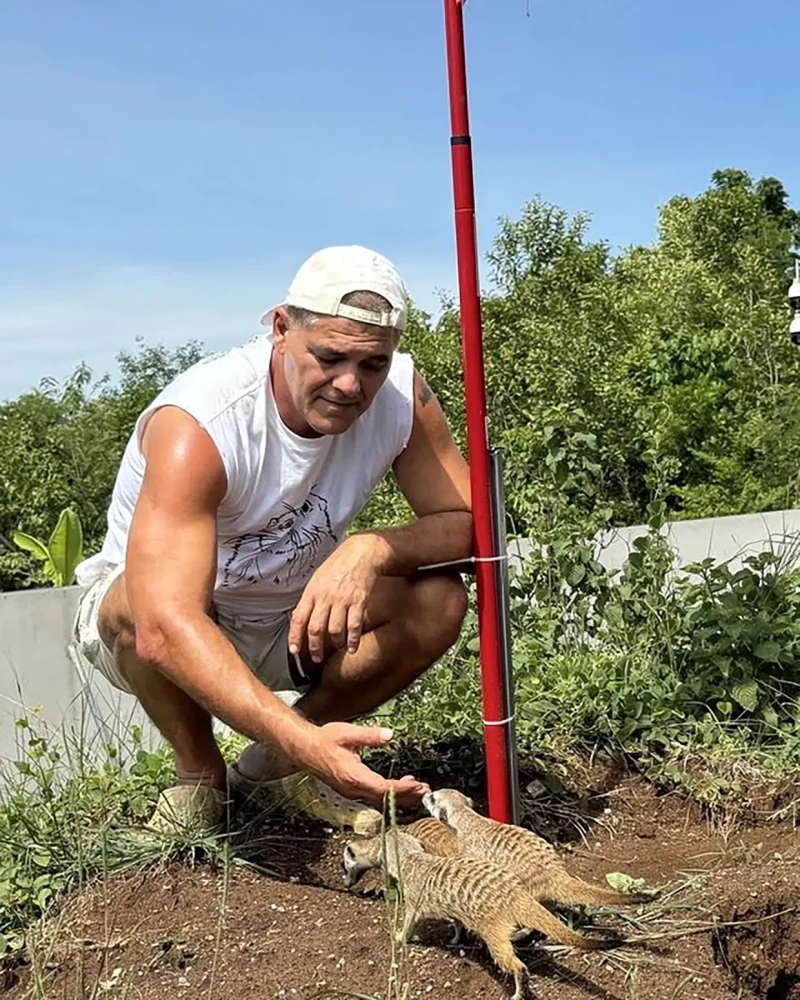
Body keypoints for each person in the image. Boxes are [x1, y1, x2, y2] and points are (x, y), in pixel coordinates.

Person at [69, 244, 472, 838]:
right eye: (330, 357)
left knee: (439, 598)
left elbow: (470, 523)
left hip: (293, 613)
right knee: (135, 602)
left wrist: (373, 548)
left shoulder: (403, 400)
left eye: (372, 365)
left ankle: (272, 769)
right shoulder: (201, 422)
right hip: (177, 625)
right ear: (282, 328)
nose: (349, 385)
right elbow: (162, 625)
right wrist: (313, 745)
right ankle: (202, 780)